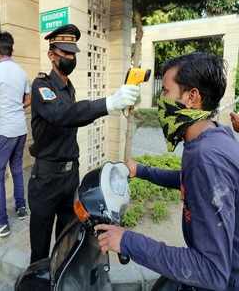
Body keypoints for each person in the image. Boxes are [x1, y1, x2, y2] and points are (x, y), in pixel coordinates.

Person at [95, 52, 239, 290]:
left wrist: (127, 240)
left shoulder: (207, 158)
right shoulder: (213, 134)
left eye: (165, 92)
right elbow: (189, 180)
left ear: (192, 97)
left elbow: (211, 271)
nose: (161, 101)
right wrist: (141, 170)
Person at [28, 24, 140, 263]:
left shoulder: (69, 88)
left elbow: (74, 115)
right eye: (64, 53)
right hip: (47, 177)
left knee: (65, 242)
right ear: (51, 55)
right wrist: (108, 103)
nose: (70, 57)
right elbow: (62, 115)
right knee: (40, 249)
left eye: (72, 53)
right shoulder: (42, 86)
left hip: (69, 178)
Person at [0, 32, 31, 238]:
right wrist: (17, 107)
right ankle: (21, 207)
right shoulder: (21, 72)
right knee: (17, 168)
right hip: (21, 129)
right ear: (11, 50)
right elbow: (28, 99)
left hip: (6, 131)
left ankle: (2, 222)